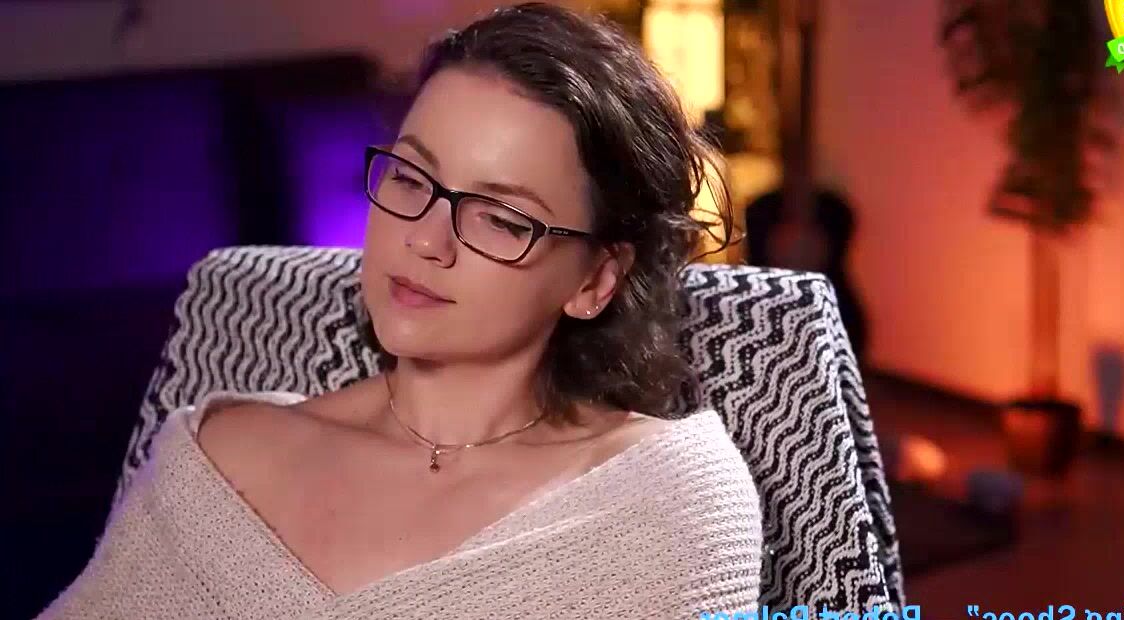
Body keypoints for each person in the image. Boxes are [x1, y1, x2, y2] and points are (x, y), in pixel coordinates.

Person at [36, 4, 763, 618]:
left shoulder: (665, 499)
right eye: (412, 178)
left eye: (500, 218)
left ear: (597, 279)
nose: (425, 239)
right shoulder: (216, 457)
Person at [744, 185, 869, 360]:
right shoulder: (750, 321)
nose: (796, 253)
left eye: (806, 248)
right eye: (787, 246)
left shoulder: (843, 322)